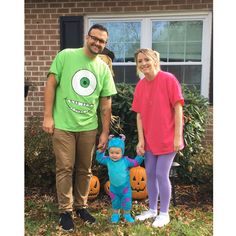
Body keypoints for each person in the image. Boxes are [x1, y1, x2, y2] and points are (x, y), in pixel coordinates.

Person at [42, 24, 117, 232]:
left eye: (102, 41)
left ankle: (81, 207)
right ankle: (65, 211)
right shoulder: (66, 56)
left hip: (88, 128)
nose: (97, 43)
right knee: (65, 168)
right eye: (95, 38)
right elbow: (51, 84)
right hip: (63, 125)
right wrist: (48, 117)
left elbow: (106, 102)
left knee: (85, 170)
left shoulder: (103, 68)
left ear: (105, 44)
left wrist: (104, 132)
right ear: (87, 37)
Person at [131, 48, 184, 228]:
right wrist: (141, 140)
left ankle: (164, 213)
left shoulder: (168, 79)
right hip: (150, 139)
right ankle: (152, 210)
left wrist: (178, 136)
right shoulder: (140, 85)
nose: (143, 63)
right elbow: (139, 115)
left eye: (146, 59)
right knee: (150, 174)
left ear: (154, 60)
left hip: (168, 138)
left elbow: (178, 108)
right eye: (139, 61)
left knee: (162, 174)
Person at [96, 134, 144, 223]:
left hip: (125, 188)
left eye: (117, 153)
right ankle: (115, 214)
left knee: (127, 202)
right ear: (108, 152)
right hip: (114, 188)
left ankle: (127, 214)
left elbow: (135, 162)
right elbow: (99, 159)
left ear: (122, 152)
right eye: (111, 152)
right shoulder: (108, 160)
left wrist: (140, 156)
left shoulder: (126, 161)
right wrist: (101, 151)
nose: (114, 155)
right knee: (115, 202)